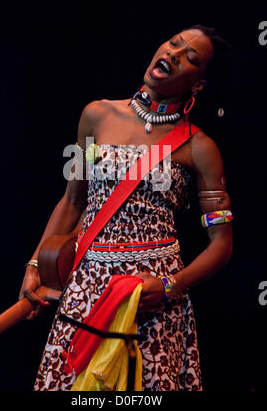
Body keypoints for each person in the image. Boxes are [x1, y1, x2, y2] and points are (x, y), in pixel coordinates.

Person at [19, 25, 233, 391]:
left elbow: (221, 244)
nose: (175, 53)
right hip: (87, 288)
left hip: (151, 300)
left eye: (191, 58)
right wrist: (36, 265)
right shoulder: (97, 116)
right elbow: (72, 200)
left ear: (198, 84)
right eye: (174, 43)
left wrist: (169, 286)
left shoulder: (201, 148)